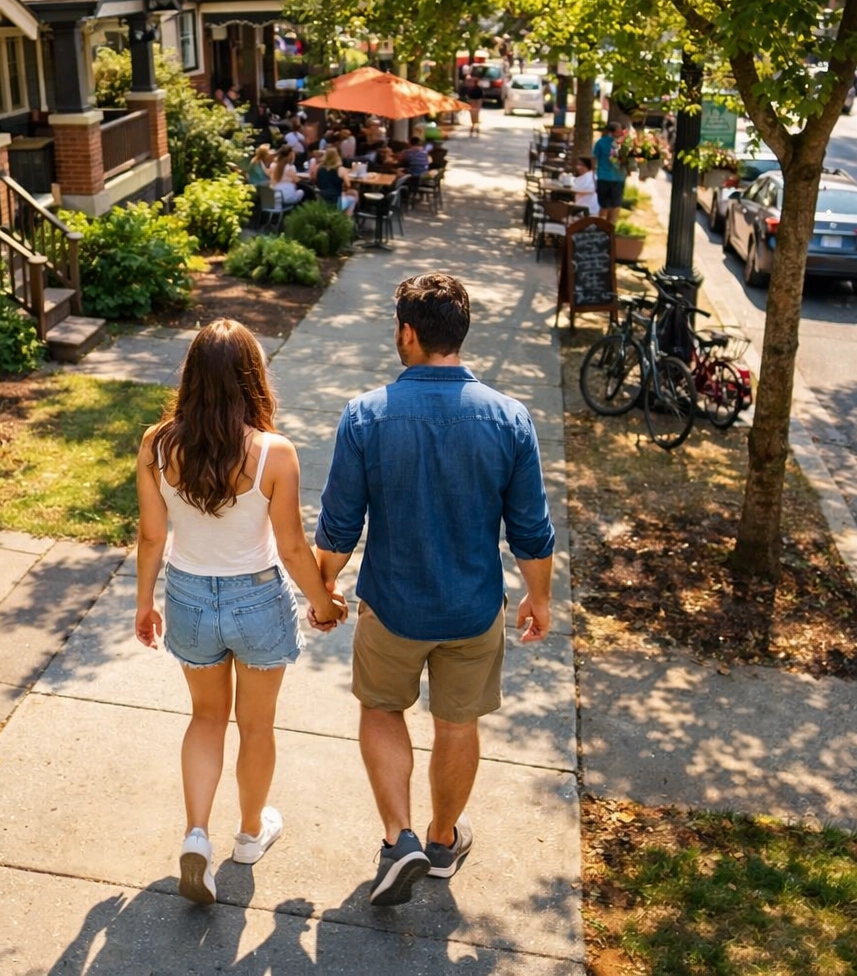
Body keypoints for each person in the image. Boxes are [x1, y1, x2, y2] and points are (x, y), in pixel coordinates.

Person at [312, 272, 554, 907]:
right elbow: (531, 530)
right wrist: (540, 598)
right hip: (474, 609)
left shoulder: (366, 415)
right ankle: (443, 842)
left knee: (382, 710)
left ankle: (400, 840)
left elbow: (340, 524)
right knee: (457, 722)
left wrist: (325, 588)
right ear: (461, 336)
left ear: (408, 334)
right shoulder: (510, 418)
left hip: (391, 606)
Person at [136, 321, 348, 905]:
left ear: (192, 376)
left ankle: (196, 835)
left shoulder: (157, 445)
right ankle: (250, 834)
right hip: (257, 601)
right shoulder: (273, 453)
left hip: (187, 597)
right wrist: (323, 603)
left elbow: (152, 538)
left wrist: (144, 604)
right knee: (256, 726)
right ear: (253, 377)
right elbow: (291, 549)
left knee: (206, 719)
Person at [593, 122, 627, 224]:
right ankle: (609, 229)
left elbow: (594, 158)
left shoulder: (600, 142)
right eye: (619, 129)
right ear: (612, 132)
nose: (621, 131)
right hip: (616, 178)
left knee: (604, 206)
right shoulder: (623, 143)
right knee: (614, 207)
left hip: (604, 177)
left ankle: (602, 229)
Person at [315, 147, 358, 215]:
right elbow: (348, 185)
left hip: (322, 199)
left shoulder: (319, 168)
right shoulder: (341, 169)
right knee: (353, 198)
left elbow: (317, 182)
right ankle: (345, 221)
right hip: (335, 200)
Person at [460, 72, 483, 137]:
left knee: (473, 119)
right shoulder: (478, 90)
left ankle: (473, 130)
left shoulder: (472, 90)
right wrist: (479, 107)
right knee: (476, 119)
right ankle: (476, 130)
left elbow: (470, 99)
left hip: (473, 106)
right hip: (476, 106)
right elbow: (480, 99)